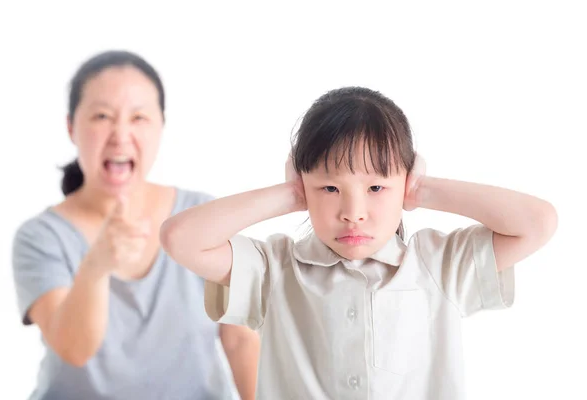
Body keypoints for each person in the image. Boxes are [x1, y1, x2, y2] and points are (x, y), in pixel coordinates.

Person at [160, 86, 558, 399]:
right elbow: (180, 239)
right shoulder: (274, 269)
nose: (353, 211)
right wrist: (292, 194)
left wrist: (421, 189)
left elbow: (538, 223)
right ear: (302, 183)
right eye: (330, 187)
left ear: (405, 180)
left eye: (376, 187)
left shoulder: (439, 264)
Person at [11, 50, 260, 400]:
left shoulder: (200, 215)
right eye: (102, 116)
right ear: (71, 127)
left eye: (139, 117)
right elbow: (74, 349)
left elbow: (239, 339)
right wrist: (97, 265)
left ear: (161, 126)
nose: (120, 135)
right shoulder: (40, 237)